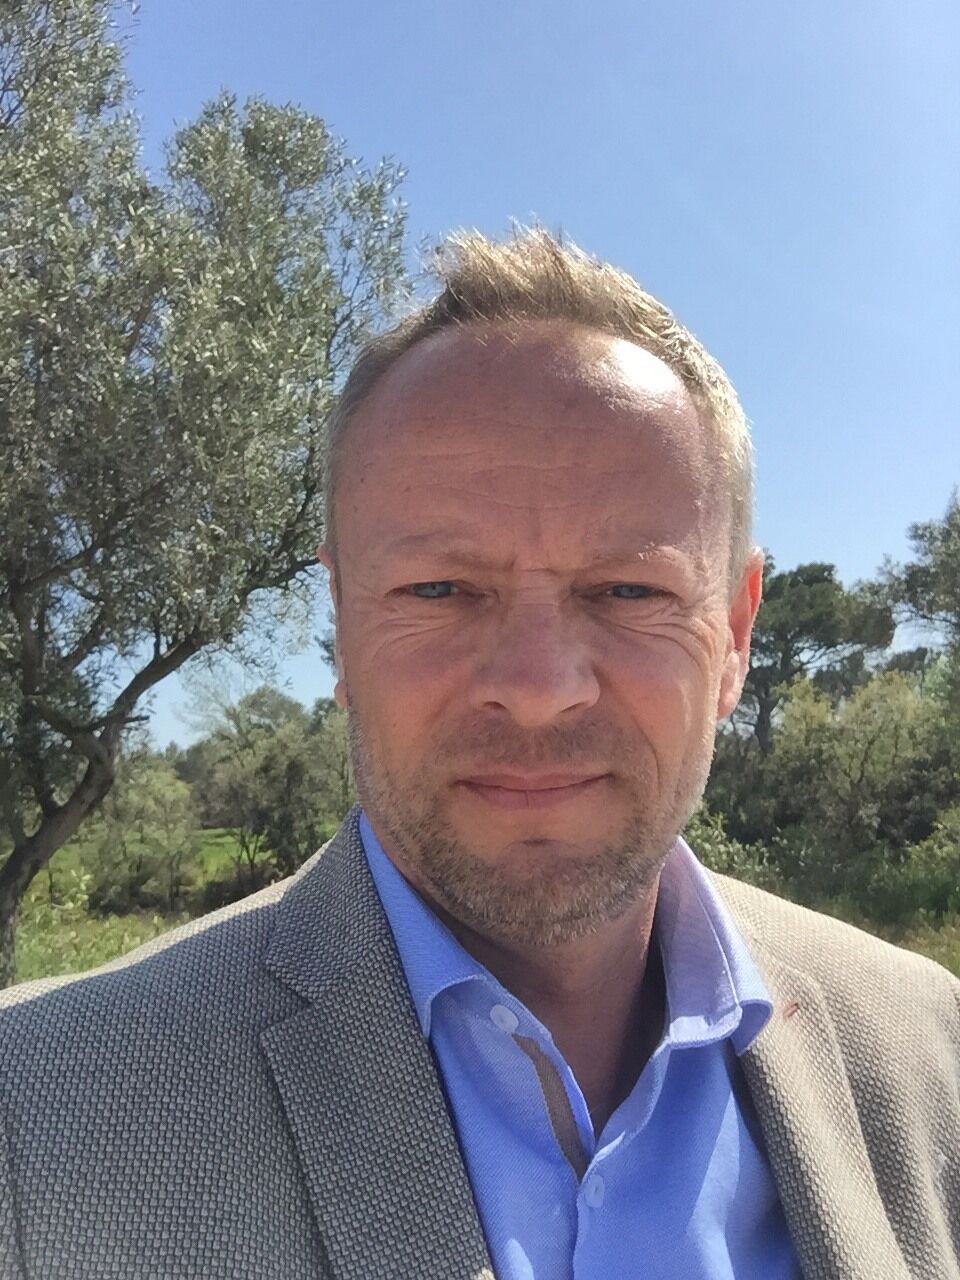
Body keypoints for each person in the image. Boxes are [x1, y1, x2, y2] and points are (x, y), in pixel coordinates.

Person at [0, 230, 957, 1280]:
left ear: (734, 634)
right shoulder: (33, 1118)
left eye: (628, 589)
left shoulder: (928, 1048)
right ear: (342, 628)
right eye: (441, 589)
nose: (539, 686)